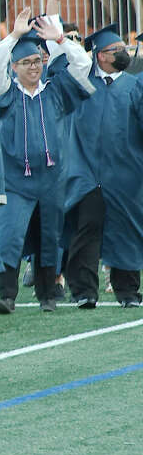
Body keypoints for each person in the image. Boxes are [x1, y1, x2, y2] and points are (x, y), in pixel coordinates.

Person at [0, 0, 93, 313]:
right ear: (15, 67)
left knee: (49, 235)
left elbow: (83, 66)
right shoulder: (6, 95)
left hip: (51, 180)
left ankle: (48, 294)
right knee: (9, 236)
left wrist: (60, 39)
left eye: (37, 61)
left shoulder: (56, 91)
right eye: (26, 63)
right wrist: (12, 36)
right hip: (16, 180)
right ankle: (7, 295)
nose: (34, 66)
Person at [64, 21, 143, 307]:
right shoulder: (83, 85)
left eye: (124, 47)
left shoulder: (134, 85)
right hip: (87, 171)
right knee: (87, 228)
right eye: (116, 49)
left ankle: (128, 291)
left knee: (126, 229)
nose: (124, 52)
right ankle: (84, 291)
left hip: (125, 171)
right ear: (100, 56)